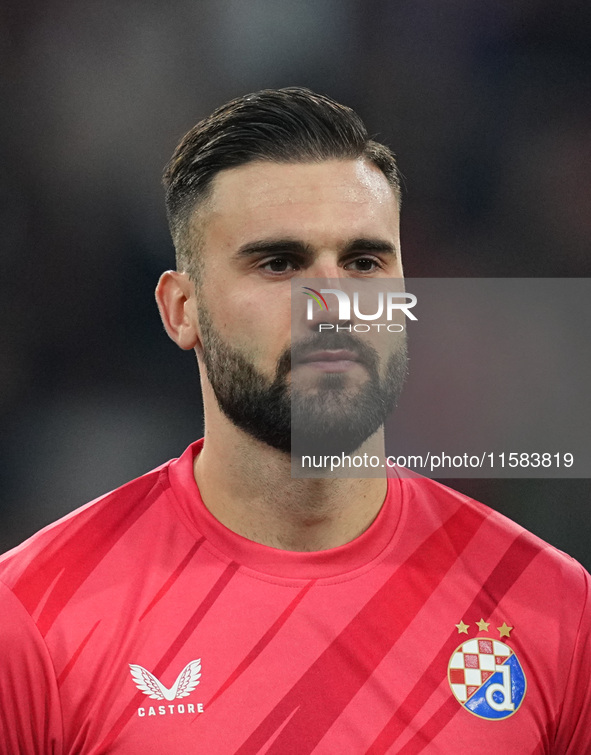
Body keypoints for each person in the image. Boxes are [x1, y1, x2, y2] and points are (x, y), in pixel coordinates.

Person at [0, 88, 589, 754]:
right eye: (278, 263)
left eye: (364, 262)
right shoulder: (33, 616)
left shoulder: (552, 606)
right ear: (180, 310)